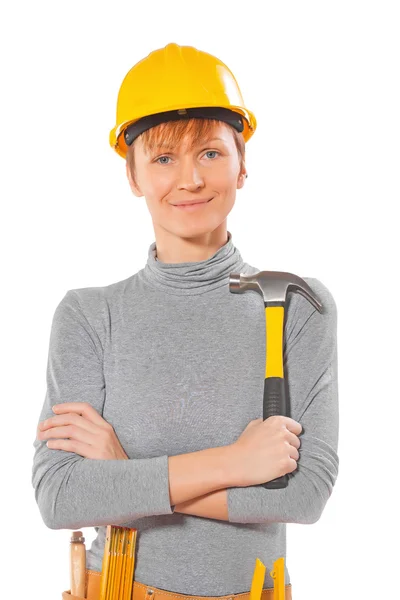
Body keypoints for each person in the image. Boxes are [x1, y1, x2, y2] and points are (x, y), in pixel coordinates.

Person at [32, 43, 339, 600]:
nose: (191, 179)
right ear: (133, 176)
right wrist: (235, 462)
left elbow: (303, 496)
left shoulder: (297, 307)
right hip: (118, 589)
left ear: (243, 165)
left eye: (211, 153)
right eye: (164, 158)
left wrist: (124, 473)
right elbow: (61, 496)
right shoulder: (88, 315)